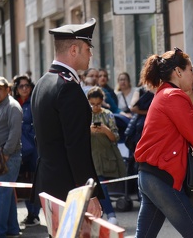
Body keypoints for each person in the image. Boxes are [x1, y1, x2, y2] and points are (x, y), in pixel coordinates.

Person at [134, 47, 193, 238]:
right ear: (178, 71)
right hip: (162, 178)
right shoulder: (174, 96)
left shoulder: (163, 94)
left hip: (150, 175)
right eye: (190, 70)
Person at [30, 18, 104, 216]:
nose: (91, 54)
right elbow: (76, 147)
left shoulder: (42, 83)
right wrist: (89, 193)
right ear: (74, 50)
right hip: (69, 189)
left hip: (49, 183)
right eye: (88, 48)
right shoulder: (68, 88)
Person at [87, 86, 126, 226]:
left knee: (101, 186)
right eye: (92, 104)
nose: (95, 107)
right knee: (98, 187)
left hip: (106, 155)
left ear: (102, 101)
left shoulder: (108, 114)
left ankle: (106, 215)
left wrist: (104, 129)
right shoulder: (84, 115)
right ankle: (108, 214)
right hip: (90, 156)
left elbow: (115, 137)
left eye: (98, 104)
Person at [0, 76, 23, 237]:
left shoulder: (12, 106)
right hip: (0, 156)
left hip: (7, 157)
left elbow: (15, 133)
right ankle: (11, 230)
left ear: (8, 89)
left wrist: (7, 154)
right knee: (5, 195)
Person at [12, 75, 41, 227]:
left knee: (34, 179)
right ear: (16, 89)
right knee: (22, 179)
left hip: (34, 147)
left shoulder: (35, 102)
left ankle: (34, 214)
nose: (25, 88)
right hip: (18, 147)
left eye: (27, 85)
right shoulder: (12, 103)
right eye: (21, 86)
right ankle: (29, 212)